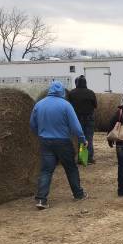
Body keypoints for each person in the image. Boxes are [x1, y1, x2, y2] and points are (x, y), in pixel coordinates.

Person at [29, 81, 88, 210]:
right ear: (62, 91)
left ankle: (41, 199)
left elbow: (32, 124)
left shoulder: (39, 104)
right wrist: (82, 139)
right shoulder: (66, 105)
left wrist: (40, 133)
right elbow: (76, 126)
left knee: (46, 170)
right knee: (71, 168)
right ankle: (78, 194)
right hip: (63, 141)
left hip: (45, 141)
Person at [68, 75, 97, 164]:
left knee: (79, 138)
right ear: (85, 83)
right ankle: (88, 158)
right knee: (89, 138)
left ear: (77, 83)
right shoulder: (91, 93)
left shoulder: (72, 93)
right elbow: (95, 105)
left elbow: (69, 105)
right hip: (89, 118)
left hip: (77, 118)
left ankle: (80, 158)